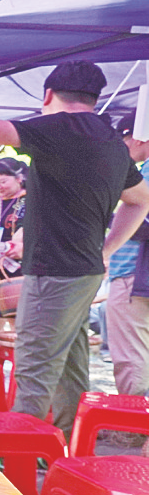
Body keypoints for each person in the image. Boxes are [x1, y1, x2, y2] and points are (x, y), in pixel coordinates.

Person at [0, 50, 149, 436]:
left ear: (48, 95)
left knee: (34, 369)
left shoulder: (58, 128)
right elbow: (140, 199)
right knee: (69, 366)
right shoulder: (111, 141)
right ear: (95, 98)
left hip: (55, 272)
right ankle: (62, 446)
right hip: (85, 272)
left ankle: (23, 471)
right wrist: (108, 248)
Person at [106, 112, 149, 398]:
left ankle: (133, 430)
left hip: (135, 274)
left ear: (135, 136)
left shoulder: (143, 174)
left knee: (132, 356)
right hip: (136, 274)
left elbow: (140, 223)